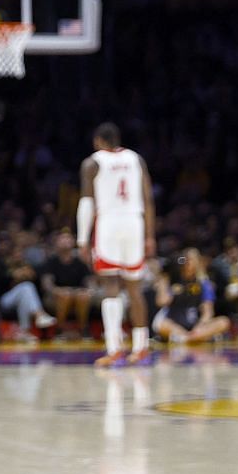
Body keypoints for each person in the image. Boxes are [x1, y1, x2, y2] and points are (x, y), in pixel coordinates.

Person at [81, 123, 157, 368]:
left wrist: (83, 239)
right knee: (135, 287)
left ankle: (115, 349)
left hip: (109, 223)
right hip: (134, 221)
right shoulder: (136, 159)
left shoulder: (92, 163)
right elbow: (148, 200)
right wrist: (150, 235)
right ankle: (141, 346)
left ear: (97, 141)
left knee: (110, 285)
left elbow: (86, 203)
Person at [154, 249, 231, 345]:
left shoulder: (204, 284)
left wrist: (200, 326)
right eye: (185, 259)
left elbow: (208, 312)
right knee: (160, 324)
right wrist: (166, 286)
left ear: (197, 262)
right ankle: (196, 338)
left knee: (224, 322)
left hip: (195, 325)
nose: (188, 262)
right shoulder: (173, 279)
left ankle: (186, 338)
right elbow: (161, 302)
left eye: (191, 260)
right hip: (175, 324)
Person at [39, 230, 92, 339]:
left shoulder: (80, 261)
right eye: (62, 238)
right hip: (55, 296)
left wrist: (88, 290)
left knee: (83, 296)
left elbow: (89, 282)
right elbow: (47, 284)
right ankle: (59, 329)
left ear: (73, 242)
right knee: (65, 295)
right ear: (56, 242)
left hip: (77, 294)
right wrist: (56, 291)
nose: (65, 241)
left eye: (68, 238)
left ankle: (83, 329)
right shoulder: (51, 261)